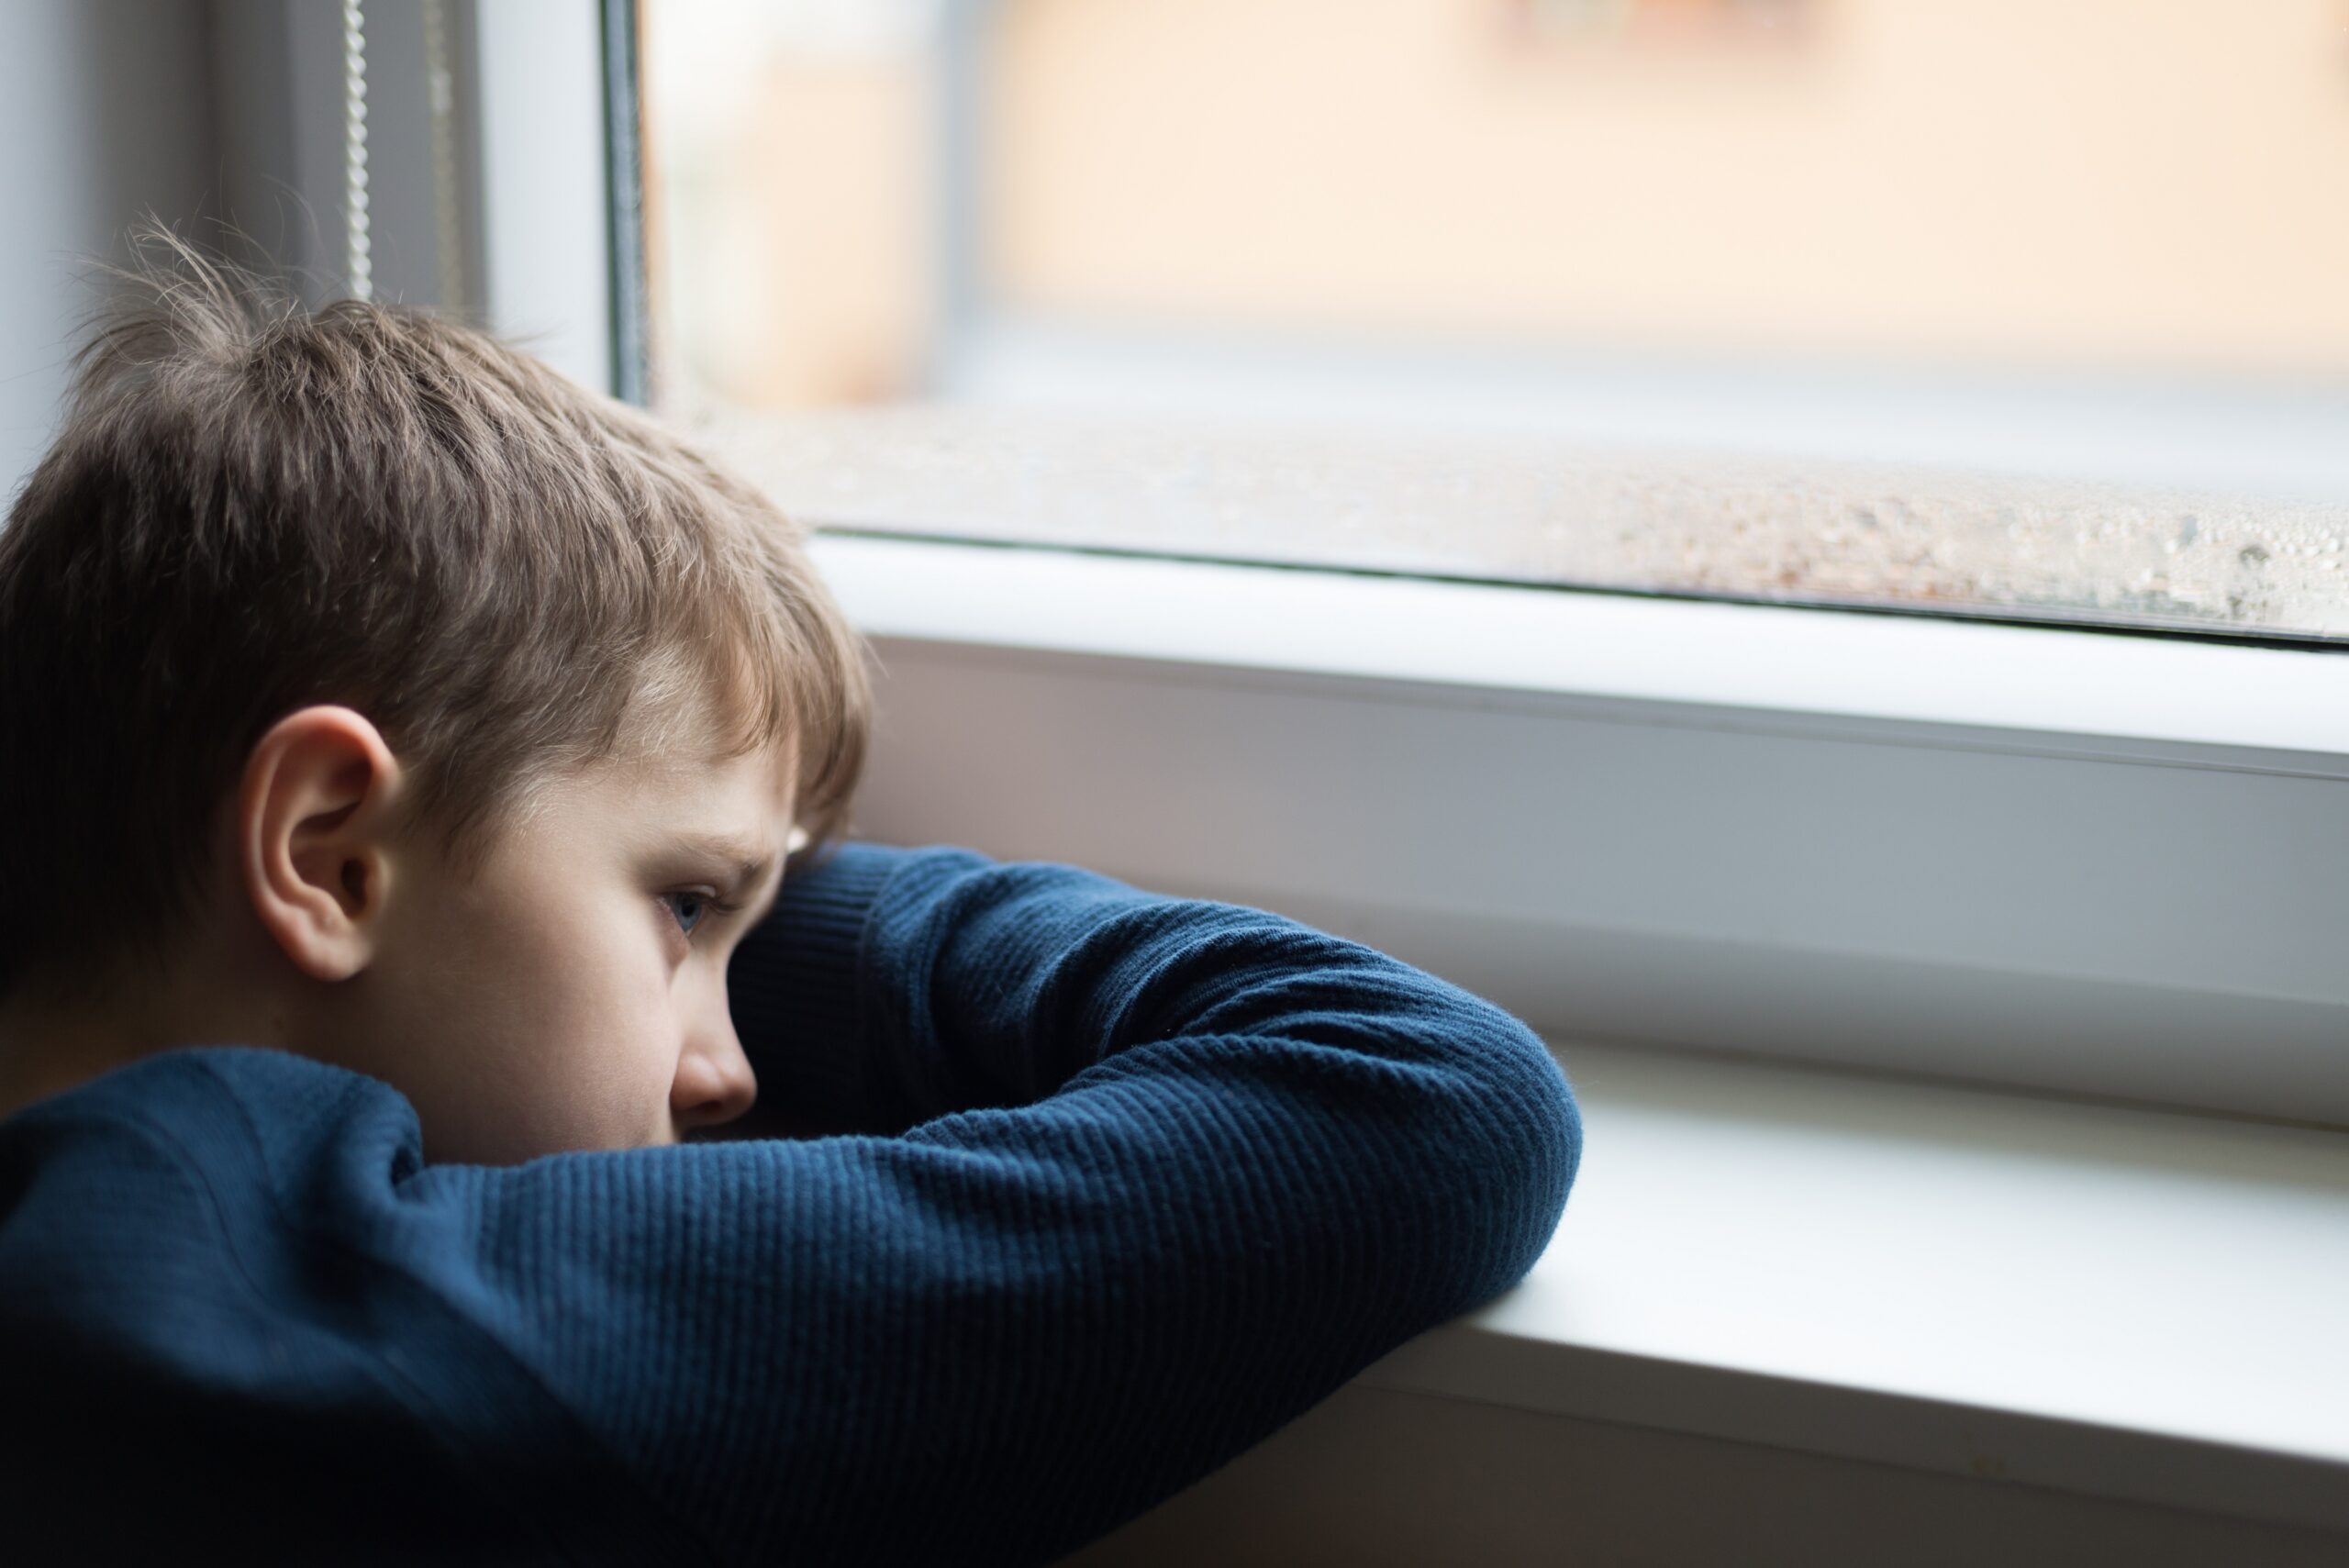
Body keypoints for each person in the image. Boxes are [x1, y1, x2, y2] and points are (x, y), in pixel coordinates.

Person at [0, 225, 1583, 1566]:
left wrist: (720, 883)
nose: (730, 1068)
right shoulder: (296, 1336)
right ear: (330, 853)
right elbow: (1425, 1091)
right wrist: (797, 904)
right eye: (683, 910)